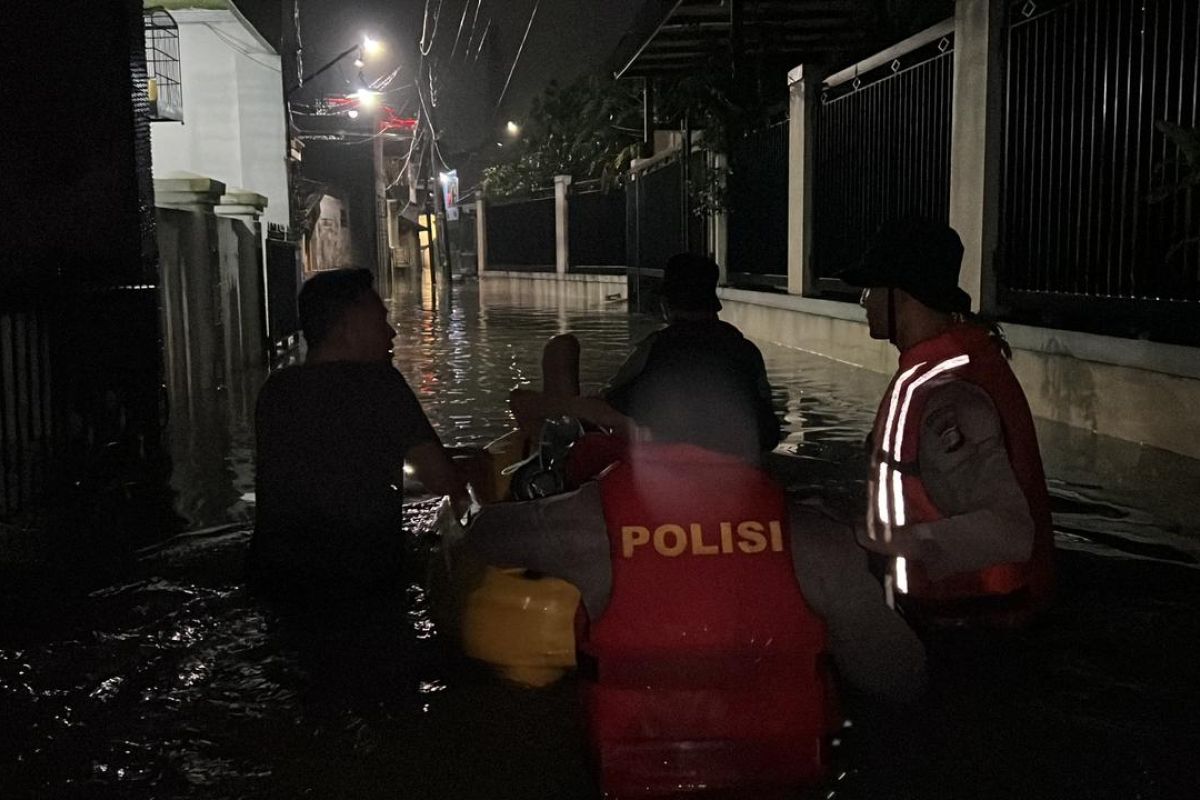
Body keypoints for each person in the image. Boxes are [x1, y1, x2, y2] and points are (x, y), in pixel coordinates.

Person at [840, 218, 1054, 629]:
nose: (863, 300)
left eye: (870, 288)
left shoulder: (948, 397)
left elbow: (1009, 532)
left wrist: (873, 539)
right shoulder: (943, 370)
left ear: (901, 295)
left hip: (968, 626)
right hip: (951, 616)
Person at [250, 268, 467, 604]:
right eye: (381, 321)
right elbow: (440, 479)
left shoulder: (275, 392)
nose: (392, 333)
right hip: (363, 577)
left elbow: (330, 456)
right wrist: (471, 469)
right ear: (349, 327)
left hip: (276, 576)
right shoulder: (381, 385)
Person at [509, 253, 781, 463]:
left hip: (669, 465)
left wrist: (561, 405)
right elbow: (767, 430)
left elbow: (611, 404)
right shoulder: (745, 350)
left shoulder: (659, 347)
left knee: (543, 397)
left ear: (666, 304)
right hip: (739, 463)